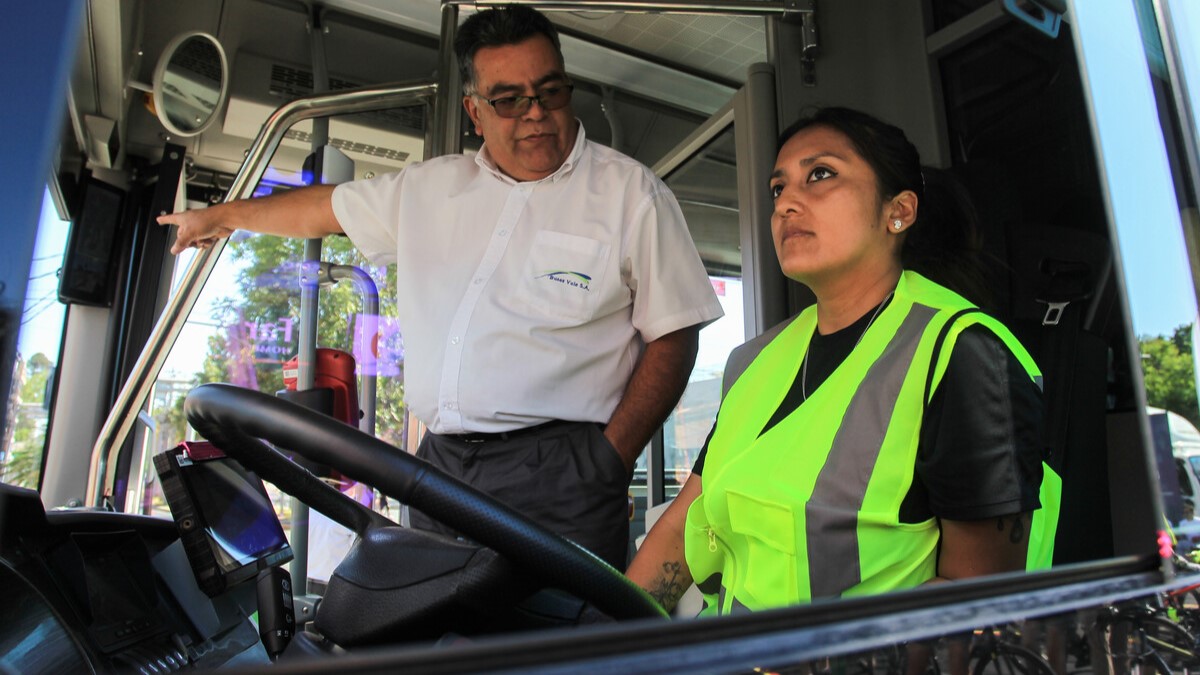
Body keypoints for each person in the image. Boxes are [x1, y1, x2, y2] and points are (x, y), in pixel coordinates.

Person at [157, 5, 723, 569]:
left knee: (550, 654)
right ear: (474, 111)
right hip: (438, 468)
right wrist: (221, 217)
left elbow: (674, 335)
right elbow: (319, 209)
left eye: (550, 91)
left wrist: (608, 459)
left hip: (563, 472)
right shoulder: (430, 191)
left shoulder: (631, 195)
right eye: (509, 100)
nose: (535, 113)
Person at [626, 106, 1060, 615]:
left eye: (821, 175)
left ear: (897, 211)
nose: (787, 202)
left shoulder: (962, 355)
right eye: (778, 189)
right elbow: (682, 525)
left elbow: (976, 603)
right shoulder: (753, 362)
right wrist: (608, 641)